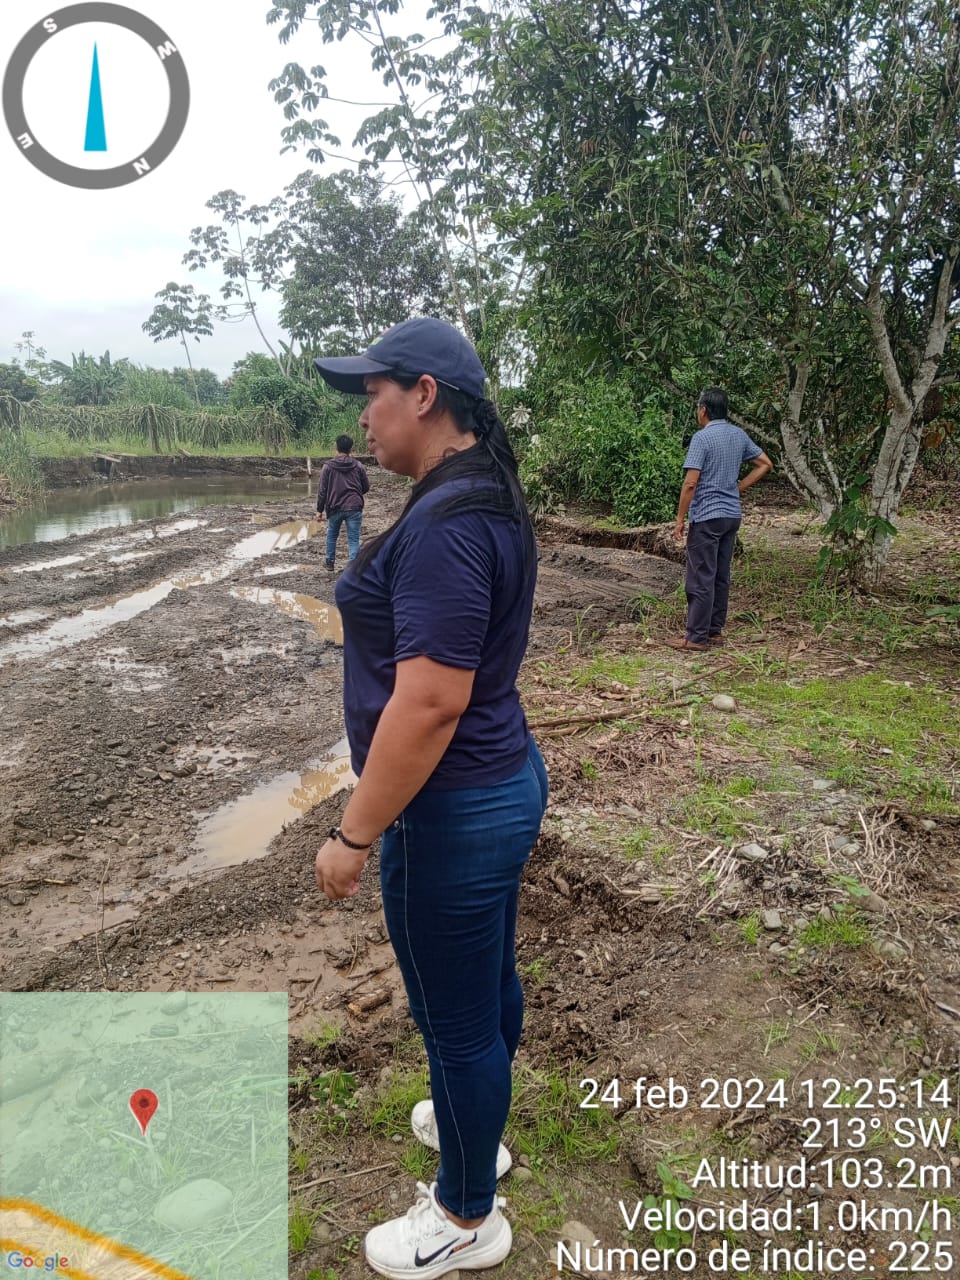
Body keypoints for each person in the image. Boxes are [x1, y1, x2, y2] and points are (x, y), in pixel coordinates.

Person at [312, 317, 548, 1280]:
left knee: (455, 1020)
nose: (364, 415)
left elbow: (431, 700)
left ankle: (463, 1216)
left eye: (373, 393)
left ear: (424, 395)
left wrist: (353, 832)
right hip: (498, 782)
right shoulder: (480, 491)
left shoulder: (451, 524)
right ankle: (472, 1133)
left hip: (453, 806)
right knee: (486, 991)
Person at [669, 387, 772, 650]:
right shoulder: (738, 435)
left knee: (701, 577)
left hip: (707, 516)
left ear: (703, 410)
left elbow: (690, 483)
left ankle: (696, 637)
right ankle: (714, 631)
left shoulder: (702, 438)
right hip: (731, 516)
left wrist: (680, 518)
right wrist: (738, 488)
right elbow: (765, 463)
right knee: (720, 575)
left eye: (698, 408)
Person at [315, 433, 369, 570]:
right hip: (354, 506)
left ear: (336, 447)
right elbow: (366, 487)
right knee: (354, 539)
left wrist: (319, 510)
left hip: (335, 506)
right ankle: (353, 567)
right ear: (351, 449)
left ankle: (329, 562)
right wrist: (355, 495)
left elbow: (322, 491)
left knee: (332, 535)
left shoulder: (328, 467)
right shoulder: (358, 466)